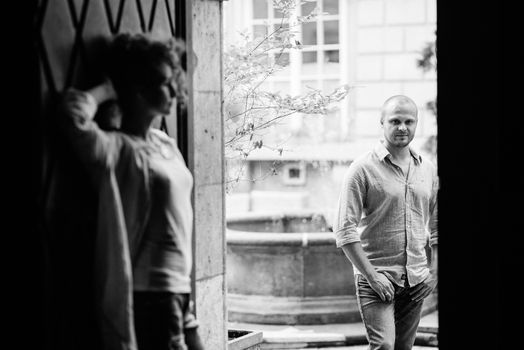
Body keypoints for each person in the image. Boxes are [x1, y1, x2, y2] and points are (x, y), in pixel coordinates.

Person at [60, 33, 204, 350]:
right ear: (139, 89)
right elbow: (73, 115)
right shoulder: (119, 149)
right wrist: (108, 89)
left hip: (178, 287)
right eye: (164, 82)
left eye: (173, 80)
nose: (173, 89)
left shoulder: (165, 145)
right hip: (150, 292)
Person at [333, 95, 438, 350]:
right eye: (395, 121)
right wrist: (372, 277)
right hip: (377, 277)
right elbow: (344, 230)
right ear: (382, 123)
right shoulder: (362, 169)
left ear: (416, 124)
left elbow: (436, 227)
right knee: (384, 346)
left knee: (403, 348)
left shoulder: (428, 168)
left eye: (409, 121)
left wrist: (434, 273)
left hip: (416, 280)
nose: (402, 127)